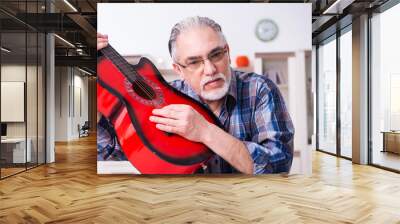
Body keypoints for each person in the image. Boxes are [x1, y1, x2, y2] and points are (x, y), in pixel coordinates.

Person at [97, 16, 294, 174]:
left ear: (228, 52)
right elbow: (107, 149)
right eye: (194, 62)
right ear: (178, 69)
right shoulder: (160, 96)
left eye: (216, 55)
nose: (210, 69)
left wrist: (206, 132)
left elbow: (278, 167)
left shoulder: (259, 89)